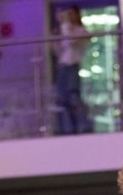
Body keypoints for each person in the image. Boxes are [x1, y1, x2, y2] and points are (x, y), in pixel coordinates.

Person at [53, 6, 91, 135]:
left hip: (73, 66)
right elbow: (59, 49)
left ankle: (83, 125)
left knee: (74, 97)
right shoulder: (63, 30)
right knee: (62, 99)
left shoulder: (81, 31)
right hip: (62, 66)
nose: (69, 17)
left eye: (71, 14)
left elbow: (71, 42)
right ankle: (68, 128)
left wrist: (66, 26)